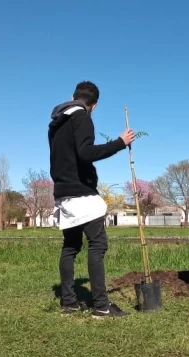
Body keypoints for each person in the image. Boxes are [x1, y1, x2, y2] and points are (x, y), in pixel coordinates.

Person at [49, 81, 135, 318]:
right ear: (94, 105)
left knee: (70, 246)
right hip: (81, 192)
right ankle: (101, 305)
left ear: (73, 96)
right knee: (97, 245)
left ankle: (69, 302)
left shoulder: (56, 122)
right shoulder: (82, 117)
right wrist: (120, 143)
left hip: (63, 191)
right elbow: (85, 153)